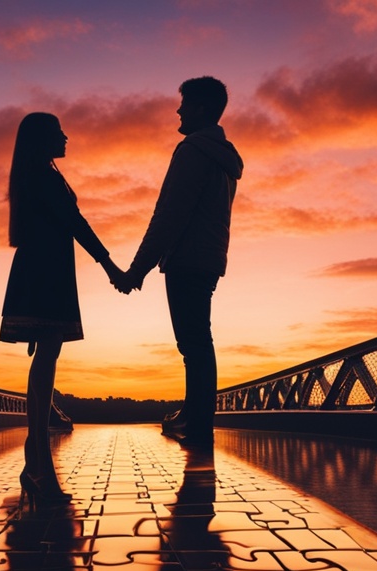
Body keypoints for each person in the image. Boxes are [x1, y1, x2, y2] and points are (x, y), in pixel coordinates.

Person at [0, 112, 126, 505]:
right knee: (46, 360)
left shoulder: (38, 173)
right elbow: (75, 222)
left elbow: (70, 222)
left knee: (46, 360)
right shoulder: (43, 176)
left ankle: (35, 457)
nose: (67, 137)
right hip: (45, 274)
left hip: (42, 270)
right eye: (59, 133)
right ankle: (37, 459)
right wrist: (109, 266)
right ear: (43, 139)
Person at [117, 77, 243, 446]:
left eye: (184, 103)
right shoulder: (223, 158)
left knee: (194, 342)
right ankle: (194, 414)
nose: (178, 109)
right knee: (197, 340)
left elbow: (170, 214)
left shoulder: (192, 151)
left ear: (201, 108)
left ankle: (197, 420)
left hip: (188, 258)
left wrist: (137, 269)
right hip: (209, 257)